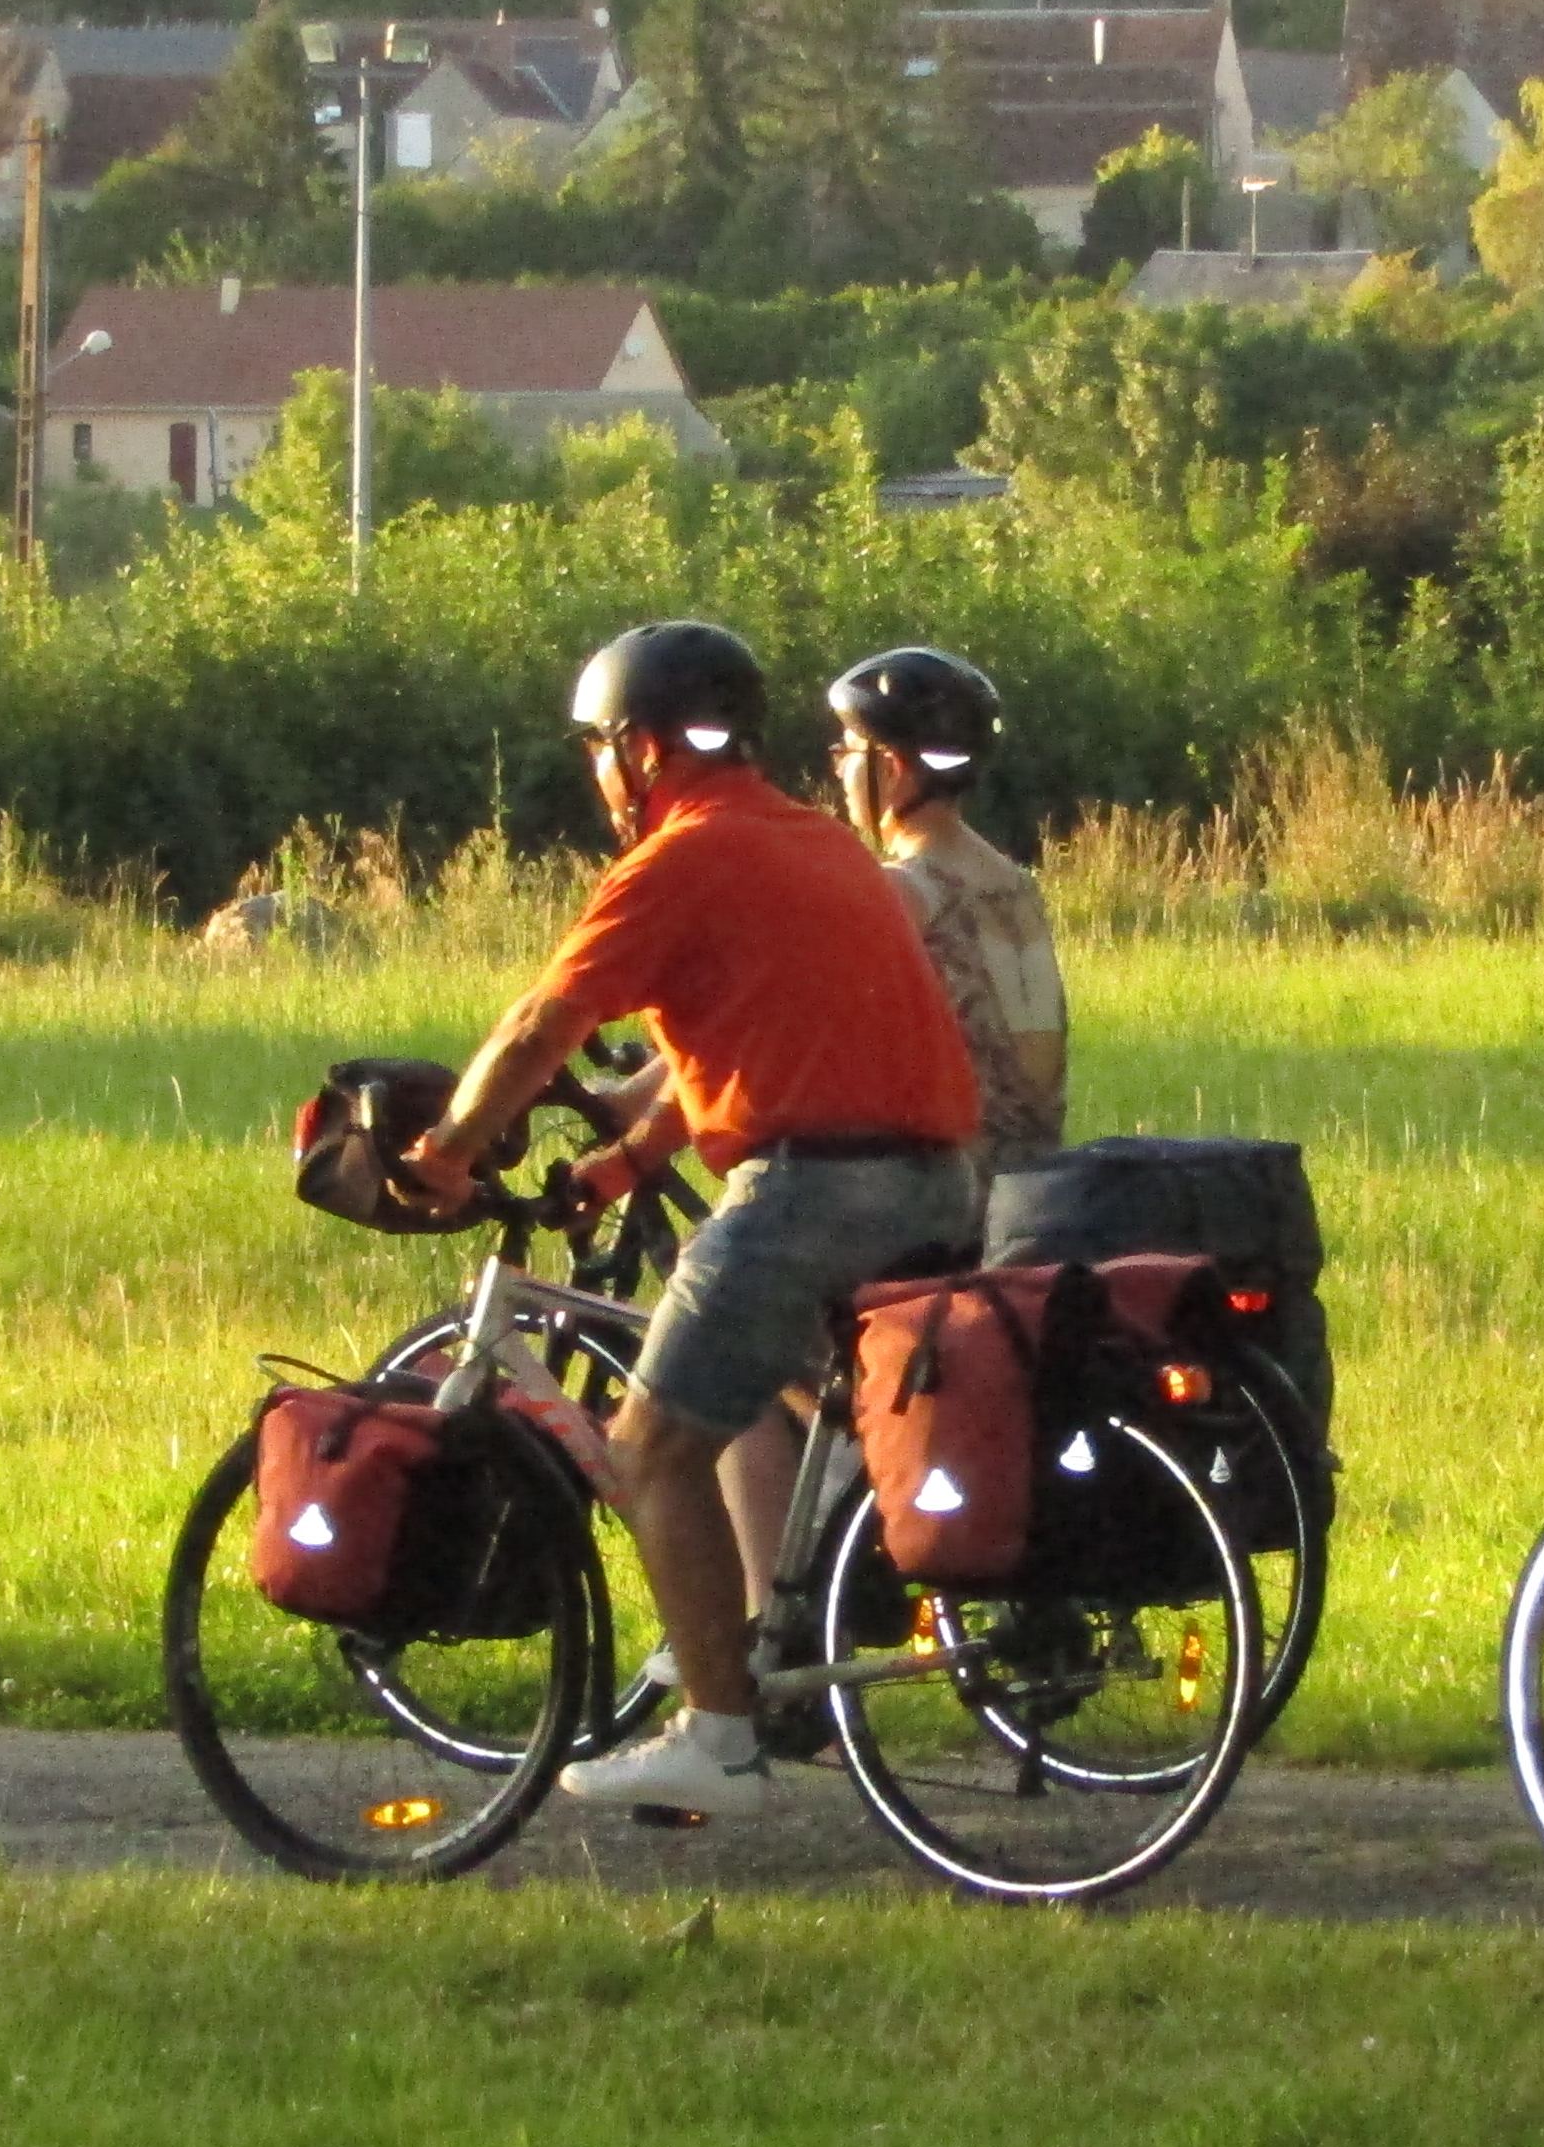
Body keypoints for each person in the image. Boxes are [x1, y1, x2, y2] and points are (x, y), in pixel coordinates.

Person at [406, 619, 983, 1817]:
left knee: (653, 1446)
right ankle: (760, 1645)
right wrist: (621, 1166)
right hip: (930, 1177)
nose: (597, 775)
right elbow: (752, 1044)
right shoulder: (814, 842)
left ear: (638, 750)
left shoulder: (676, 858)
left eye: (597, 751)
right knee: (795, 1405)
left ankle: (718, 1737)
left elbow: (535, 1031)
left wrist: (448, 1153)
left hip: (814, 1186)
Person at [825, 646, 1066, 1181]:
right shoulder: (1016, 883)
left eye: (845, 753)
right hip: (1036, 1185)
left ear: (888, 767)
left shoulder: (904, 889)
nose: (839, 771)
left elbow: (794, 1013)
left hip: (951, 1190)